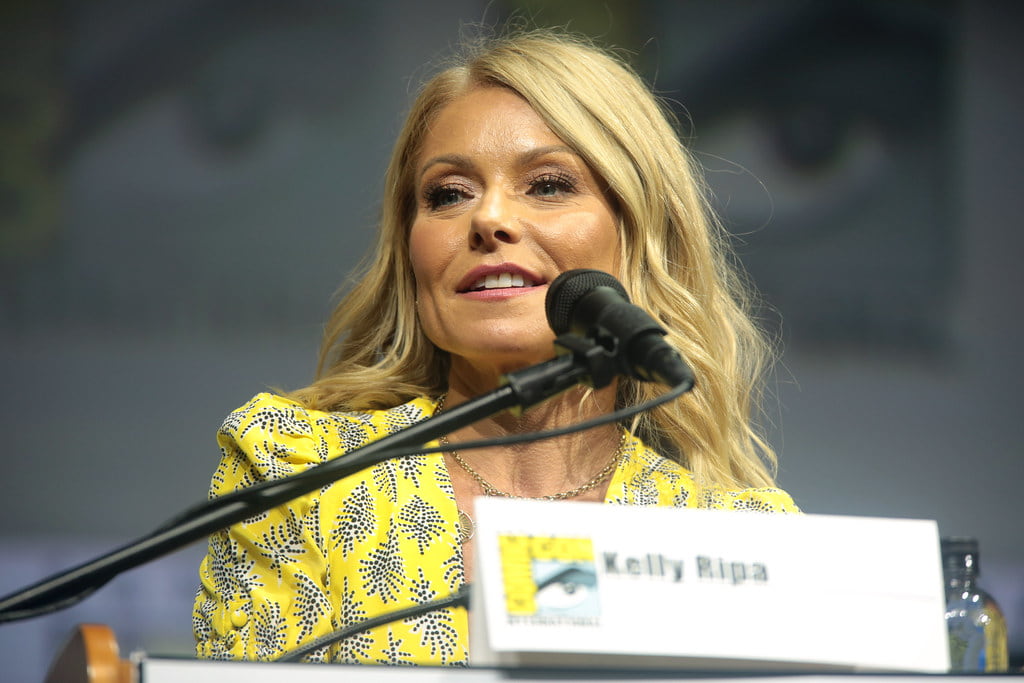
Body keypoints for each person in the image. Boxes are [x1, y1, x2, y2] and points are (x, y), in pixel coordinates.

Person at [192, 27, 799, 667]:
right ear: (411, 255)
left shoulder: (731, 539)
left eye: (548, 185)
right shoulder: (301, 476)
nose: (488, 220)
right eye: (449, 195)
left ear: (641, 233)